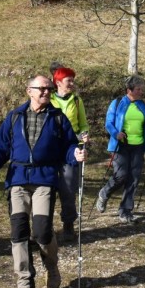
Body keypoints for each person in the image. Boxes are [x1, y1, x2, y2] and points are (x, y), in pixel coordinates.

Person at [0, 75, 85, 288]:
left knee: (42, 231)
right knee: (19, 232)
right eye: (42, 89)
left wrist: (75, 155)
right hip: (17, 180)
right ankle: (25, 286)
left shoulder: (58, 118)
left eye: (49, 88)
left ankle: (51, 264)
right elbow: (1, 148)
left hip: (44, 180)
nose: (47, 92)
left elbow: (68, 147)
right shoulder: (15, 116)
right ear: (29, 91)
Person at [94, 75, 145, 224]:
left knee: (134, 178)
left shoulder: (142, 105)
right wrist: (116, 133)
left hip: (138, 145)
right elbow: (109, 123)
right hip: (121, 145)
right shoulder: (117, 103)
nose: (141, 92)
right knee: (121, 175)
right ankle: (105, 192)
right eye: (138, 89)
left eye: (142, 89)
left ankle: (125, 211)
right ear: (129, 90)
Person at [50, 66, 89, 241]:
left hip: (71, 149)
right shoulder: (48, 99)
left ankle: (68, 225)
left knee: (68, 188)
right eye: (69, 81)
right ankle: (45, 227)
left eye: (73, 80)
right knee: (47, 188)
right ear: (58, 82)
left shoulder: (76, 101)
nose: (72, 84)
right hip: (50, 147)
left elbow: (83, 124)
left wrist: (84, 135)